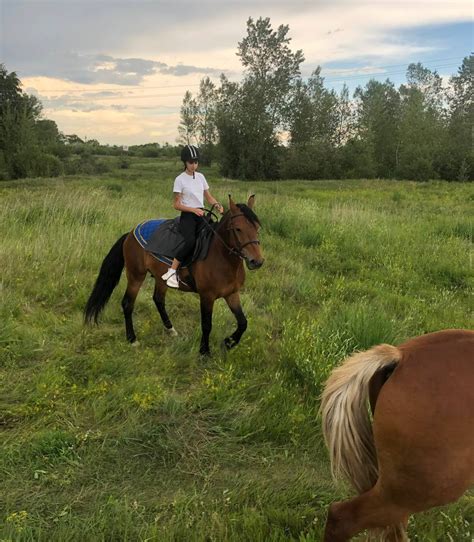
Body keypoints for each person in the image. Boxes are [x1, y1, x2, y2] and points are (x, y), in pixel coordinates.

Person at [161, 145, 224, 288]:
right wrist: (193, 210)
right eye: (191, 162)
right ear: (185, 162)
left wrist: (218, 205)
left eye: (196, 162)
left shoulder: (201, 177)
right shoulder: (180, 180)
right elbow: (176, 205)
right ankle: (172, 270)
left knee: (213, 236)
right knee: (190, 241)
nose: (194, 165)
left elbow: (208, 197)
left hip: (201, 214)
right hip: (188, 216)